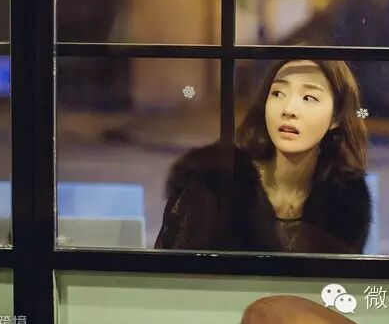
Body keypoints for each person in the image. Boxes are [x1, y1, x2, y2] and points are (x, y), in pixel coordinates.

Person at [154, 59, 372, 254]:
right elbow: (169, 272)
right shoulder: (212, 185)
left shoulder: (345, 205)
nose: (288, 109)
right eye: (277, 94)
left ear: (336, 117)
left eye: (309, 97)